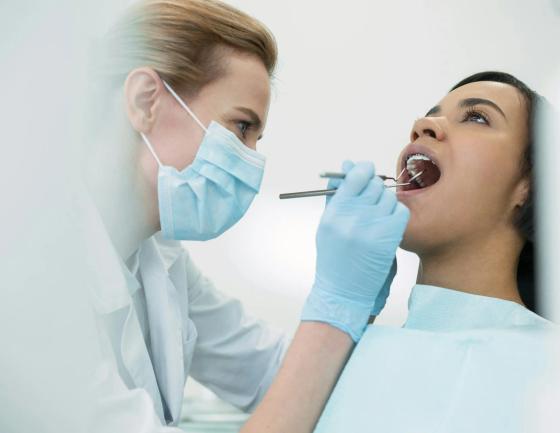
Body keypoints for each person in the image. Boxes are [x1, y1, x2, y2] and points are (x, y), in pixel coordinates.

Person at [86, 1, 408, 432]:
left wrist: (356, 311)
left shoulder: (158, 256)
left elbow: (268, 371)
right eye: (241, 128)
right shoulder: (31, 270)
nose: (251, 160)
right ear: (146, 101)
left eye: (256, 137)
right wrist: (334, 304)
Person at [311, 72, 554, 433]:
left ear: (530, 186)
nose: (423, 125)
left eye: (477, 117)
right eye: (430, 114)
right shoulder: (357, 351)